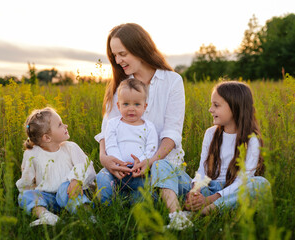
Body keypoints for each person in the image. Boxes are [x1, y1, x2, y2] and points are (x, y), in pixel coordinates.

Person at [151, 81, 271, 230]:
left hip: (230, 193)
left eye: (216, 105)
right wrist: (195, 192)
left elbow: (242, 181)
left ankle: (201, 212)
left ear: (235, 107)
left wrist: (209, 200)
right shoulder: (211, 133)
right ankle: (177, 216)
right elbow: (203, 171)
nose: (210, 109)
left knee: (260, 183)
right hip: (207, 188)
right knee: (160, 164)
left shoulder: (252, 140)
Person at [95, 23, 185, 204]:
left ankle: (140, 196)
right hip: (125, 169)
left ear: (140, 48)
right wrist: (104, 159)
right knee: (103, 179)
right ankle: (138, 196)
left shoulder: (172, 81)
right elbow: (107, 133)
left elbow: (172, 133)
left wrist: (150, 162)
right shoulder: (119, 87)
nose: (118, 60)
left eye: (123, 54)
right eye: (114, 56)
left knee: (162, 176)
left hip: (160, 165)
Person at [16, 107, 96, 227]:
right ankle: (46, 216)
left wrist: (76, 180)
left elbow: (85, 165)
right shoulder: (32, 153)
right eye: (60, 125)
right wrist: (30, 188)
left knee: (64, 189)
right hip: (48, 197)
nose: (66, 126)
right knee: (25, 196)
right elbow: (27, 178)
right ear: (47, 138)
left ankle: (86, 215)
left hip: (69, 193)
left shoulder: (70, 147)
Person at [102, 78, 158, 202]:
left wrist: (141, 162)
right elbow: (110, 145)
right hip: (116, 169)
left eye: (137, 104)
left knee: (148, 187)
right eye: (126, 104)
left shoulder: (149, 127)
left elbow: (151, 147)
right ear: (118, 105)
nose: (131, 108)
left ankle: (132, 200)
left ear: (145, 106)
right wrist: (120, 164)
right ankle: (107, 204)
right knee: (102, 177)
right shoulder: (113, 124)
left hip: (139, 171)